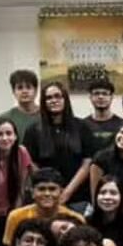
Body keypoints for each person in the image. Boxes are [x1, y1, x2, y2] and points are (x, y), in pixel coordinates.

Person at [23, 81, 96, 214]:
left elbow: (87, 162)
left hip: (78, 196)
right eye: (49, 98)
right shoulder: (33, 130)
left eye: (58, 96)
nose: (53, 100)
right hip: (46, 197)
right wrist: (51, 190)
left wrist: (67, 192)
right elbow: (30, 163)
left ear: (65, 99)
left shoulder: (82, 127)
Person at [0, 117, 33, 242]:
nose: (5, 138)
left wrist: (14, 220)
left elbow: (21, 189)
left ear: (15, 136)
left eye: (9, 133)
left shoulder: (21, 152)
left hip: (13, 211)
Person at [2, 168, 84, 246]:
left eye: (52, 189)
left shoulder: (75, 219)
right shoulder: (16, 216)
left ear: (61, 192)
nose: (47, 193)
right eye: (41, 189)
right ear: (32, 193)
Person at [83, 79, 123, 152]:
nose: (100, 97)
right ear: (90, 97)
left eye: (105, 94)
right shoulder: (82, 125)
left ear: (111, 97)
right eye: (96, 93)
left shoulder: (122, 125)